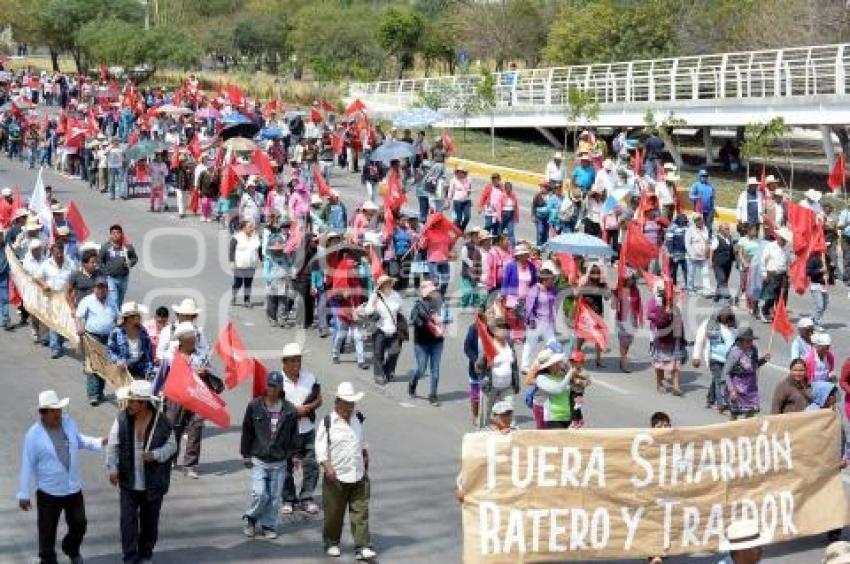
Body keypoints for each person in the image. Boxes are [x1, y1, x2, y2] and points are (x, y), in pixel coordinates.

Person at [17, 390, 104, 564]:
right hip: (49, 493)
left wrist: (99, 441)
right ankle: (47, 559)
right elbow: (28, 464)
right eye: (53, 411)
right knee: (47, 531)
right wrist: (23, 494)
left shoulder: (69, 423)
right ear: (43, 413)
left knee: (79, 524)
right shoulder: (33, 435)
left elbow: (78, 440)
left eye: (59, 410)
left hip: (73, 489)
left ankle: (71, 548)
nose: (58, 414)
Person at [106, 379, 177, 564]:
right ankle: (130, 556)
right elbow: (112, 446)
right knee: (127, 522)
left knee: (149, 523)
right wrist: (112, 469)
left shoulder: (162, 422)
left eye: (132, 401)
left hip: (153, 483)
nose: (128, 405)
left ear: (144, 403)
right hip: (129, 481)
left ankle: (145, 554)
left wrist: (155, 454)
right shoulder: (121, 419)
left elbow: (172, 446)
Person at [316, 382, 376, 561]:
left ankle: (363, 546)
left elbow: (362, 442)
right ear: (337, 402)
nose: (350, 407)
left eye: (352, 403)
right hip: (336, 477)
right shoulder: (327, 422)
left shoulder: (358, 419)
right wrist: (327, 467)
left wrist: (365, 457)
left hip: (358, 474)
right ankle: (332, 542)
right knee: (334, 513)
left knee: (361, 512)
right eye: (346, 403)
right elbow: (320, 450)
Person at [240, 370, 300, 539]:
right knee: (260, 494)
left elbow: (294, 434)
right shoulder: (255, 406)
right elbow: (247, 431)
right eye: (269, 385)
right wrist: (245, 454)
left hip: (279, 461)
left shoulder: (289, 410)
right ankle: (251, 519)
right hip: (259, 459)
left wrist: (295, 455)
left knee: (274, 498)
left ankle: (268, 525)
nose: (271, 389)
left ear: (281, 387)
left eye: (275, 386)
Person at [278, 342, 323, 517]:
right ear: (284, 362)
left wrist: (309, 407)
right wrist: (293, 411)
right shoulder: (278, 380)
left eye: (298, 360)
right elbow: (273, 403)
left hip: (308, 429)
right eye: (292, 361)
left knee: (311, 464)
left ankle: (307, 498)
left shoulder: (310, 378)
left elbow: (319, 399)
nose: (296, 364)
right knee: (286, 465)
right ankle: (288, 499)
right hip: (287, 431)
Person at [75, 276, 118, 405]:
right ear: (94, 288)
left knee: (104, 366)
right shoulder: (87, 301)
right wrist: (79, 328)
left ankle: (100, 392)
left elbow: (117, 317)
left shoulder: (111, 301)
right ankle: (93, 394)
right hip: (92, 337)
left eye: (104, 287)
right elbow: (78, 317)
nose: (101, 290)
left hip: (108, 337)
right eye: (99, 287)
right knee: (93, 365)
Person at [476, 317, 519, 428]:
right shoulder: (489, 346)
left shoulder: (510, 344)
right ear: (494, 330)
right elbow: (478, 367)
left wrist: (516, 384)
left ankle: (509, 435)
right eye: (500, 327)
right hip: (491, 386)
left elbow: (514, 366)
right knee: (485, 416)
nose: (503, 330)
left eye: (505, 328)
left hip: (507, 386)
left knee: (510, 414)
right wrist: (486, 363)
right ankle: (482, 435)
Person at [693, 306, 737, 412]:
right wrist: (696, 357)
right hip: (714, 357)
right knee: (720, 380)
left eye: (728, 314)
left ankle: (710, 399)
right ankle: (721, 403)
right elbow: (700, 338)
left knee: (718, 378)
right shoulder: (710, 324)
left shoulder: (733, 323)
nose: (727, 316)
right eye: (724, 314)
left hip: (727, 359)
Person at [409, 280, 445, 406]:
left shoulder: (440, 305)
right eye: (432, 292)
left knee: (435, 369)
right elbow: (413, 320)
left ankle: (433, 395)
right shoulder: (417, 306)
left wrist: (441, 320)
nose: (435, 294)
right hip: (422, 343)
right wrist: (425, 320)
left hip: (437, 341)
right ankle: (413, 382)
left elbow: (446, 318)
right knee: (421, 369)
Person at [362, 274, 403, 385]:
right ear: (381, 286)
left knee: (395, 352)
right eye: (385, 283)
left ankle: (388, 370)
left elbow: (400, 308)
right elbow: (368, 311)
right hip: (379, 329)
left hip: (393, 328)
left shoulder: (396, 295)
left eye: (388, 282)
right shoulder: (375, 296)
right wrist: (373, 302)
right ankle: (378, 375)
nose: (387, 285)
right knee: (378, 353)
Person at [723, 326, 770, 420]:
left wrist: (764, 360)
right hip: (737, 386)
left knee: (750, 412)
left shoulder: (753, 350)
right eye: (747, 341)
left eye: (751, 340)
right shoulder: (734, 353)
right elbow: (726, 372)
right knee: (735, 413)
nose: (750, 343)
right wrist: (731, 390)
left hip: (750, 386)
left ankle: (747, 431)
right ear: (740, 340)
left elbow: (754, 365)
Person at [36, 243, 75, 358]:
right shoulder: (46, 264)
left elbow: (76, 277)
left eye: (60, 253)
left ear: (63, 252)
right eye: (56, 253)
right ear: (52, 253)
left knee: (62, 321)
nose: (58, 255)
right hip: (52, 297)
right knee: (54, 321)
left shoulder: (70, 263)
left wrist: (73, 293)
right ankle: (55, 347)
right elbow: (37, 277)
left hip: (65, 297)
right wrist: (44, 285)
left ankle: (59, 342)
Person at [647, 288, 687, 396]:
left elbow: (680, 325)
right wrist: (666, 314)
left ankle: (676, 387)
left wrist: (683, 339)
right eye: (671, 298)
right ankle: (659, 384)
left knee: (676, 365)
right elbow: (659, 324)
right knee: (660, 365)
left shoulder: (676, 309)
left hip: (675, 341)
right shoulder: (660, 309)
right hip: (662, 342)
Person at [521, 261, 558, 372]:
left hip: (548, 322)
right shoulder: (534, 290)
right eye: (551, 279)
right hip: (536, 322)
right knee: (530, 343)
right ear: (544, 280)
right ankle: (524, 366)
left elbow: (556, 301)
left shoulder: (552, 290)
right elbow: (528, 307)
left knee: (552, 343)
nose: (553, 281)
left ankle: (551, 364)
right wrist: (530, 320)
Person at [524, 348, 570, 429]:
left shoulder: (562, 367)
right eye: (555, 363)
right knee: (543, 432)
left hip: (558, 407)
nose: (558, 364)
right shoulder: (539, 372)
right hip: (542, 405)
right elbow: (528, 381)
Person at [108, 301, 154, 380]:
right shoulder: (116, 332)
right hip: (124, 369)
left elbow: (148, 352)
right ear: (128, 318)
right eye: (136, 315)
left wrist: (149, 369)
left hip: (141, 368)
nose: (139, 317)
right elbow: (110, 350)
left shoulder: (142, 331)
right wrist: (117, 361)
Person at [98, 224, 137, 308]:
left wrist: (130, 263)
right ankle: (115, 317)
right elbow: (100, 261)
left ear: (122, 234)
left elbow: (134, 258)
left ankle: (116, 313)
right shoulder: (106, 247)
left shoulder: (127, 246)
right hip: (111, 278)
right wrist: (105, 272)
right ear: (110, 235)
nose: (116, 235)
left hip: (124, 278)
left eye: (118, 233)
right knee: (114, 299)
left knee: (120, 298)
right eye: (113, 233)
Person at [758, 226, 792, 322]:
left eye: (786, 239)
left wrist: (789, 275)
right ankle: (764, 311)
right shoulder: (770, 246)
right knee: (770, 296)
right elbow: (763, 260)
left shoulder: (787, 248)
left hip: (783, 274)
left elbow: (789, 262)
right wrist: (764, 273)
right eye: (783, 239)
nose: (784, 241)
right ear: (778, 237)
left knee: (783, 297)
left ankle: (780, 315)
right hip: (771, 274)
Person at [229, 220, 262, 307]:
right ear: (244, 228)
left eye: (252, 226)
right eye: (250, 226)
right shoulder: (237, 237)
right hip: (240, 264)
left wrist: (262, 260)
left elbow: (259, 249)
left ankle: (246, 300)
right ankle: (234, 295)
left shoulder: (256, 237)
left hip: (251, 264)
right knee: (238, 283)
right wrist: (232, 261)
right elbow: (231, 250)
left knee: (248, 283)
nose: (252, 228)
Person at [685, 214, 711, 297]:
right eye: (697, 220)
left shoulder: (705, 229)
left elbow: (707, 240)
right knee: (691, 273)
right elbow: (687, 244)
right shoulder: (689, 230)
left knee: (705, 273)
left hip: (703, 256)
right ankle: (690, 289)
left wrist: (708, 250)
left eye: (700, 219)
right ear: (694, 221)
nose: (700, 221)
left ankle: (707, 290)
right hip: (692, 257)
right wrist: (692, 254)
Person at [711, 222, 736, 302]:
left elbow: (731, 249)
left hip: (728, 263)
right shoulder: (716, 239)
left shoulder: (729, 238)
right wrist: (710, 262)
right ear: (721, 230)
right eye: (726, 229)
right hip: (718, 263)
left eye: (728, 229)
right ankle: (727, 296)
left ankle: (717, 296)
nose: (728, 230)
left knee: (724, 280)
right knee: (722, 279)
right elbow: (712, 250)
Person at [447, 166, 472, 231]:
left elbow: (469, 188)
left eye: (461, 172)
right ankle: (458, 231)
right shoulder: (453, 180)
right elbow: (450, 191)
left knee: (467, 217)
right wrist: (448, 201)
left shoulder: (468, 179)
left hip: (466, 201)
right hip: (457, 201)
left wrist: (469, 192)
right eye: (458, 172)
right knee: (459, 218)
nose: (460, 174)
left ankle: (462, 229)